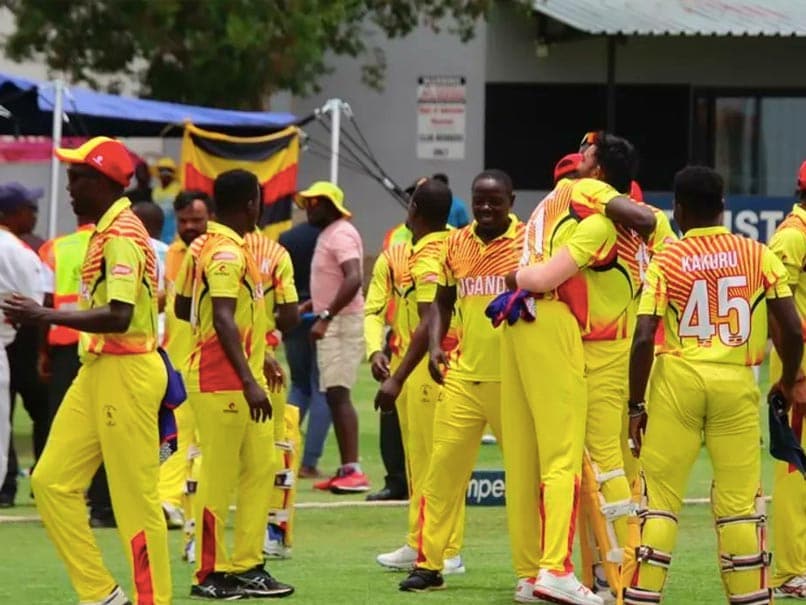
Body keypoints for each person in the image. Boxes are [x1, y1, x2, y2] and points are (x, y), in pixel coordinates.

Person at [1, 136, 172, 605]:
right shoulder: (105, 231)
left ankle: (151, 600)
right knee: (50, 482)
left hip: (128, 371)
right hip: (100, 367)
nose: (70, 187)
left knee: (134, 500)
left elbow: (118, 316)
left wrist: (44, 316)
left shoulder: (121, 235)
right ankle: (100, 593)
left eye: (79, 178)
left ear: (106, 183)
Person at [621, 166, 804, 605]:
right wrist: (785, 378)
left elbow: (644, 336)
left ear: (678, 210)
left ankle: (643, 596)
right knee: (741, 504)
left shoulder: (667, 258)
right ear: (723, 207)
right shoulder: (757, 253)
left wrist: (634, 405)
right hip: (736, 382)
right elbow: (794, 331)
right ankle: (751, 598)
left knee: (660, 499)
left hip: (678, 382)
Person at [513, 136, 676, 602]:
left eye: (582, 163)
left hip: (597, 350)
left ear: (599, 176)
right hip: (612, 345)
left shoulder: (592, 209)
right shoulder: (632, 223)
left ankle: (584, 571)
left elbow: (544, 276)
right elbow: (654, 230)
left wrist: (518, 278)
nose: (572, 176)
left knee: (584, 464)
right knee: (598, 465)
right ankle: (610, 571)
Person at [398, 170, 523, 592]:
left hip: (516, 380)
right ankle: (430, 565)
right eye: (479, 200)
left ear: (511, 199)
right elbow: (442, 303)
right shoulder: (456, 242)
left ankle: (536, 571)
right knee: (442, 475)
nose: (486, 208)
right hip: (464, 377)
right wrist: (435, 346)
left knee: (525, 479)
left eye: (495, 201)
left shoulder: (529, 242)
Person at [174, 169, 293, 599]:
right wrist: (248, 377)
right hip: (223, 380)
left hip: (244, 376)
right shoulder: (225, 252)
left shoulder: (203, 246)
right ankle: (208, 574)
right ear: (251, 205)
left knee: (260, 469)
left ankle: (248, 565)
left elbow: (185, 303)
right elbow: (222, 316)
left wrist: (261, 358)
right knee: (219, 478)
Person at [373, 178, 466, 574]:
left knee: (434, 462)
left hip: (431, 366)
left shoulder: (428, 253)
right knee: (422, 461)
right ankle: (421, 541)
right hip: (430, 364)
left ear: (413, 210)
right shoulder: (453, 244)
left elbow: (430, 319)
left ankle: (445, 549)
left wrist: (397, 375)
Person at [296, 181, 369, 493]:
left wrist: (325, 316)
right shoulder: (331, 233)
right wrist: (313, 304)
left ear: (332, 207)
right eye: (308, 202)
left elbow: (354, 277)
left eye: (317, 203)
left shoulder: (339, 233)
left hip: (341, 323)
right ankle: (346, 468)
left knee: (339, 394)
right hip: (336, 318)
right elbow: (338, 279)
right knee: (334, 393)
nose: (310, 208)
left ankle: (353, 470)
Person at [159, 190, 213, 555]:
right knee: (174, 436)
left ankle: (192, 507)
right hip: (177, 362)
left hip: (209, 362)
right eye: (183, 221)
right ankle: (170, 500)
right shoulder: (174, 253)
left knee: (204, 443)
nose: (190, 226)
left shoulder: (219, 251)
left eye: (196, 219)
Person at [242, 225, 300, 560]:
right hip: (263, 363)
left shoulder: (203, 247)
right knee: (275, 446)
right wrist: (263, 340)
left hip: (208, 366)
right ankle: (275, 531)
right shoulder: (275, 254)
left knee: (202, 451)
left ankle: (198, 539)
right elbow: (290, 315)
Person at [766, 160, 806, 599]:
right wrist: (793, 374)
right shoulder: (792, 235)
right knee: (796, 470)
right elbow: (778, 310)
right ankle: (790, 572)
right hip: (801, 373)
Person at [0, 182, 50, 508]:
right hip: (16, 338)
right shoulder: (18, 250)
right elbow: (36, 304)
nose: (34, 213)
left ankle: (7, 487)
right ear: (12, 213)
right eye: (29, 208)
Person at [278, 221, 332, 479]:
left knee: (299, 385)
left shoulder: (287, 237)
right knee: (323, 388)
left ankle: (282, 451)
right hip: (322, 316)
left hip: (293, 315)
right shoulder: (332, 235)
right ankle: (309, 462)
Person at [152, 157, 182, 243]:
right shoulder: (156, 190)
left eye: (168, 170)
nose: (165, 173)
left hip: (174, 225)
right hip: (159, 226)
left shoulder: (179, 188)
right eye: (162, 170)